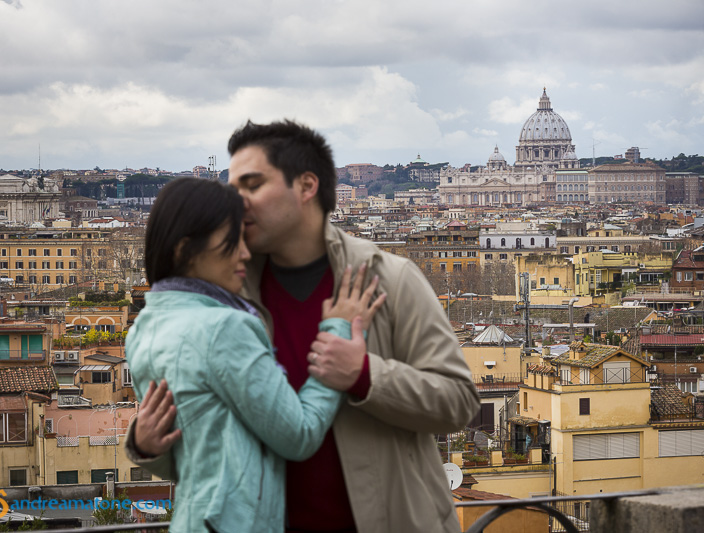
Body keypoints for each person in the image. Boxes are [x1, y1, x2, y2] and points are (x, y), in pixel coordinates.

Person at [126, 120, 480, 533]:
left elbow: (459, 401)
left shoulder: (389, 278)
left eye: (252, 185)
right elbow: (214, 451)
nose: (236, 202)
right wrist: (146, 445)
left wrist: (365, 376)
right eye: (232, 188)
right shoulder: (224, 289)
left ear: (307, 186)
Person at [126, 177, 383, 532]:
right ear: (186, 250)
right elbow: (300, 435)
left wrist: (143, 446)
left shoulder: (143, 329)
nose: (245, 253)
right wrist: (338, 334)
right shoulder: (226, 328)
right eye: (233, 243)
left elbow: (198, 460)